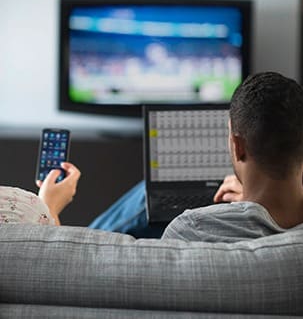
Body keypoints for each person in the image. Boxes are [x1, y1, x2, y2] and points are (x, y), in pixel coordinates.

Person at [2, 71, 303, 243]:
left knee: (144, 197)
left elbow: (68, 262)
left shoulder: (189, 230)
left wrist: (49, 207)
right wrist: (255, 204)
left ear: (238, 146)